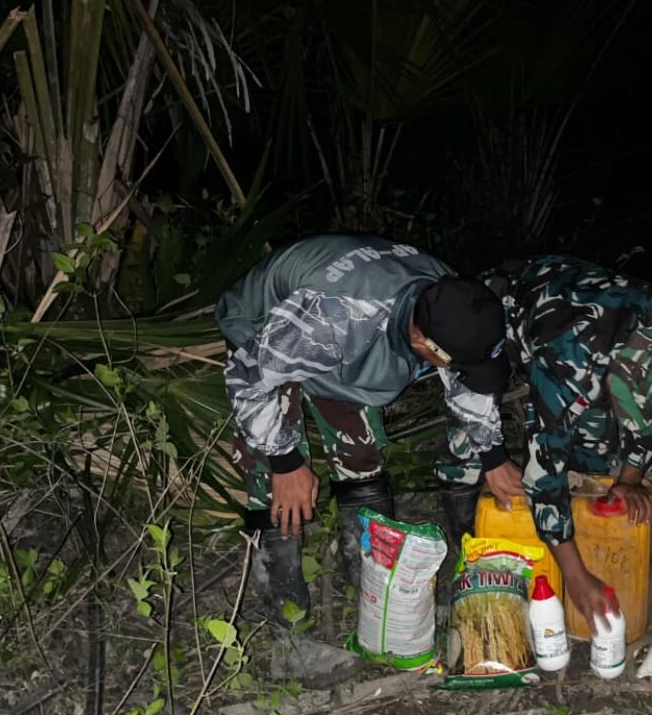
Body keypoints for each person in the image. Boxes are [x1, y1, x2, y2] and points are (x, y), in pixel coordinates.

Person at [215, 234, 512, 625]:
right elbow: (248, 379)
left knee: (361, 460)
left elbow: (463, 378)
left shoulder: (449, 297)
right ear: (421, 341)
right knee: (275, 485)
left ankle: (373, 592)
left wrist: (492, 456)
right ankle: (288, 625)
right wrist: (284, 462)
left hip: (339, 335)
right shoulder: (336, 318)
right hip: (264, 333)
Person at [434, 257, 652, 623]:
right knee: (470, 443)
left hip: (584, 324)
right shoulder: (569, 364)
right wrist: (576, 578)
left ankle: (567, 542)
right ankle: (467, 552)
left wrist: (630, 478)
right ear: (611, 379)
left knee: (594, 453)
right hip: (498, 316)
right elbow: (543, 475)